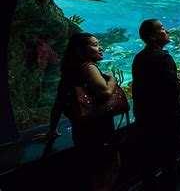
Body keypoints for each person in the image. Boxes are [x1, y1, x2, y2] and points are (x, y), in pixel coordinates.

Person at [33, 33, 119, 191]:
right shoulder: (89, 67)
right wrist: (112, 79)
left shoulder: (69, 71)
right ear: (82, 49)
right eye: (94, 44)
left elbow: (58, 104)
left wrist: (51, 131)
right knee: (105, 173)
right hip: (99, 131)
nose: (100, 48)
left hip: (81, 131)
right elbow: (105, 92)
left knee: (89, 174)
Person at [132, 19, 180, 191]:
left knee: (148, 164)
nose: (167, 31)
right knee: (169, 164)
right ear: (153, 36)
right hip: (166, 120)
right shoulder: (164, 58)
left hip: (145, 120)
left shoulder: (138, 58)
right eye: (162, 28)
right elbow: (170, 90)